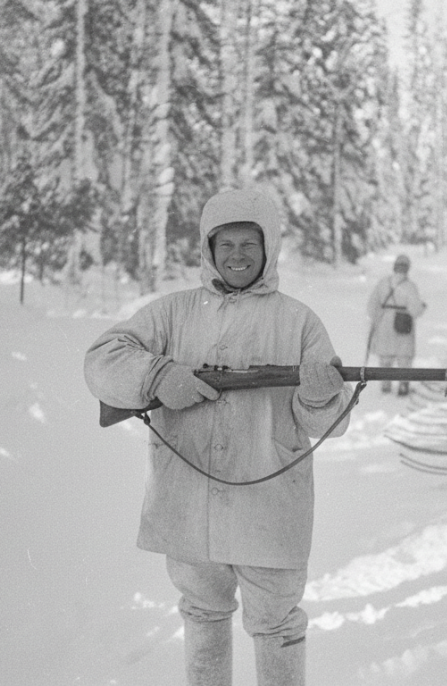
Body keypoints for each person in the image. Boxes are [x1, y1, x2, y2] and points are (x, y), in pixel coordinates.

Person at [84, 188, 351, 686]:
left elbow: (329, 424)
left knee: (276, 625)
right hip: (189, 506)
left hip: (270, 509)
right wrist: (159, 377)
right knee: (203, 616)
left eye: (248, 244)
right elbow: (102, 360)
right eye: (224, 244)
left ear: (268, 247)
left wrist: (317, 397)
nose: (237, 256)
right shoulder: (172, 312)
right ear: (207, 248)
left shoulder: (299, 321)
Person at [365, 254, 426, 396]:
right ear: (407, 269)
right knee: (404, 356)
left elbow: (371, 306)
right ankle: (403, 385)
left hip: (384, 323)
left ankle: (385, 384)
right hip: (404, 323)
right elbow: (415, 309)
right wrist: (422, 308)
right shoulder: (410, 286)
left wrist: (376, 320)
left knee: (385, 355)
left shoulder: (383, 283)